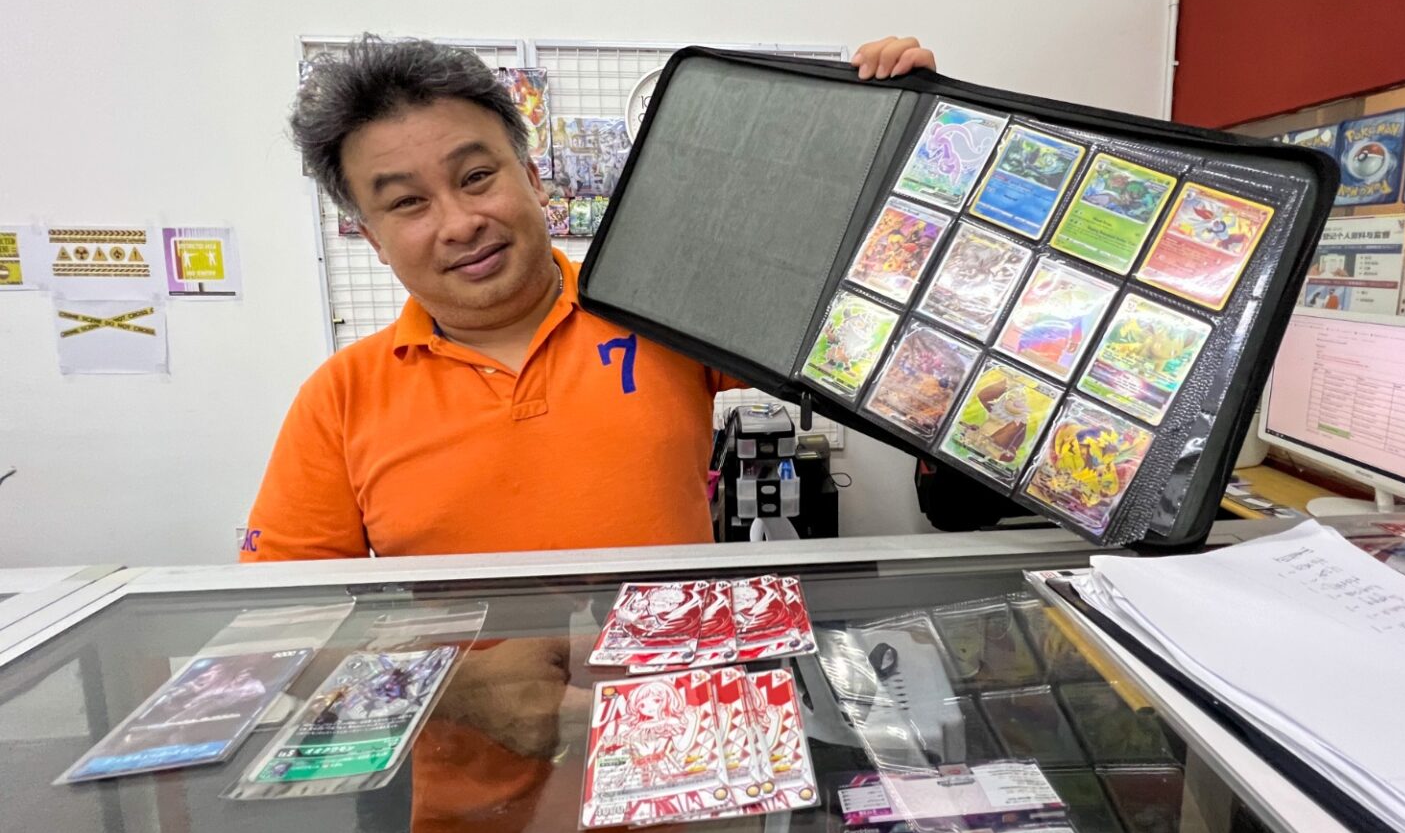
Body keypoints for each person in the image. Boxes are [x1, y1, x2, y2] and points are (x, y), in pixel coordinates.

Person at [241, 35, 934, 562]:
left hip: (679, 708)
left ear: (532, 179)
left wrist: (909, 133)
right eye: (407, 203)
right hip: (470, 720)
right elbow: (293, 621)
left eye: (477, 176)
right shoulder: (339, 400)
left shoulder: (661, 307)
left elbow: (867, 318)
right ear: (372, 238)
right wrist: (465, 682)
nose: (459, 223)